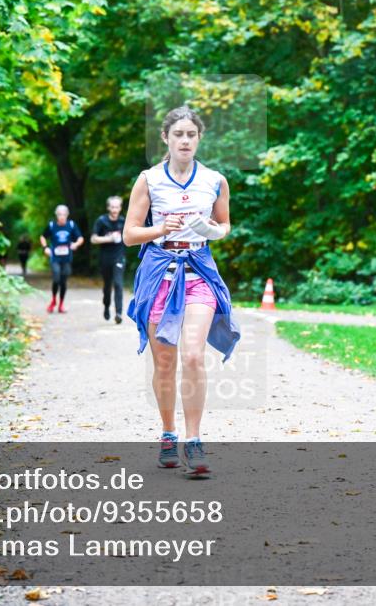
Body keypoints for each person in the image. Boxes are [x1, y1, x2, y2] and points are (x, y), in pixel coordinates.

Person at [123, 106, 240, 476]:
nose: (185, 140)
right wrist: (161, 229)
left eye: (191, 134)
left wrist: (209, 230)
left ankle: (194, 442)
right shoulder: (148, 180)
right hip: (160, 272)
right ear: (166, 139)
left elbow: (225, 226)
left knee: (192, 355)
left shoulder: (215, 181)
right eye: (178, 135)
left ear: (199, 138)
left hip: (198, 271)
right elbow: (129, 235)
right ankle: (168, 434)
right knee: (166, 362)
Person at [40, 205, 84, 314]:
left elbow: (80, 238)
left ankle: (61, 304)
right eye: (59, 214)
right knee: (56, 278)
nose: (62, 217)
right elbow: (42, 237)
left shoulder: (71, 225)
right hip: (55, 257)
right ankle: (54, 300)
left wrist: (76, 244)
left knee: (63, 281)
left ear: (67, 215)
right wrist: (45, 248)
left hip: (67, 258)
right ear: (56, 215)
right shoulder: (52, 225)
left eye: (64, 214)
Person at [91, 196, 127, 324]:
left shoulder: (123, 221)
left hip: (119, 257)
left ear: (120, 208)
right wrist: (109, 239)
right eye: (112, 207)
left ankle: (118, 313)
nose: (115, 209)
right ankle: (106, 306)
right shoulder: (101, 221)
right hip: (105, 258)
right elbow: (93, 239)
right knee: (107, 286)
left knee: (118, 284)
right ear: (108, 207)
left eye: (117, 207)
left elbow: (129, 237)